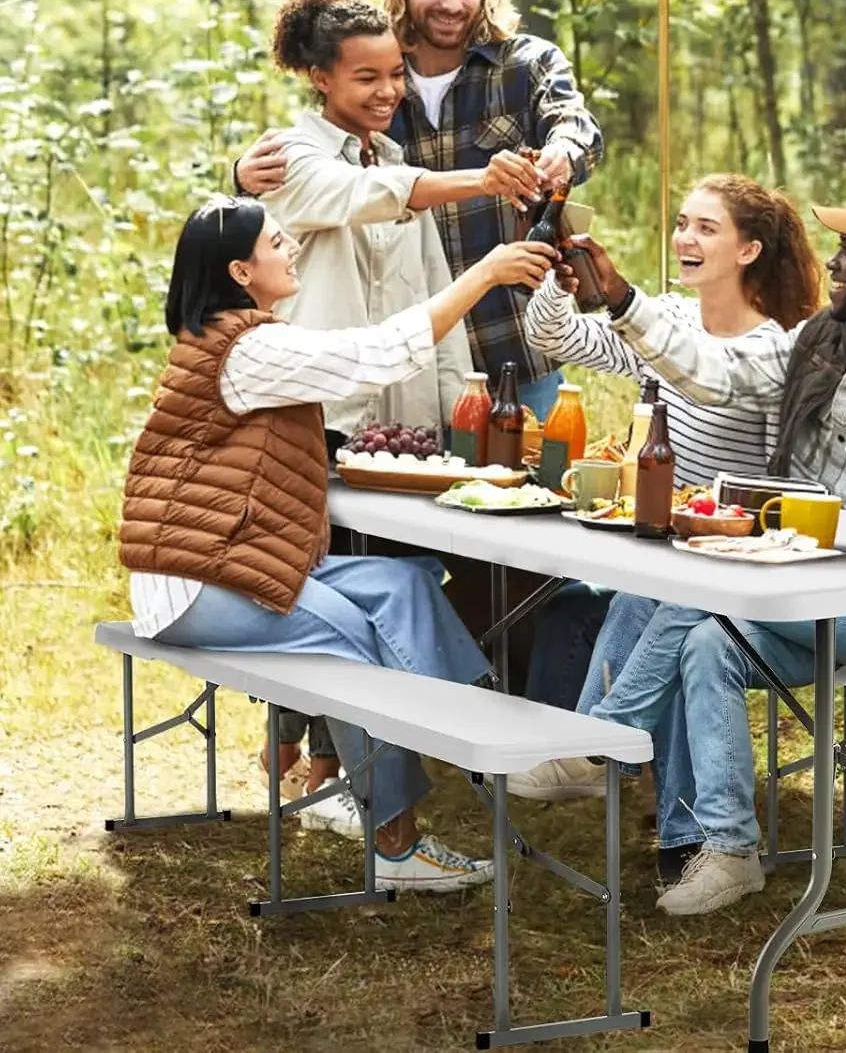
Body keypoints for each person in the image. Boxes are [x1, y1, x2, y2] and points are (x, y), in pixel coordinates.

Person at [512, 189, 846, 915]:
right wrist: (624, 299)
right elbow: (715, 376)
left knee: (696, 594)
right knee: (707, 639)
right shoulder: (823, 338)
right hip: (800, 585)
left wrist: (820, 545)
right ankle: (728, 850)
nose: (833, 259)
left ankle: (605, 740)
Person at [120, 196, 556, 893]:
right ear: (239, 270)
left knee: (402, 583)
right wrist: (484, 275)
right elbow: (375, 356)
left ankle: (472, 734)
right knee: (352, 644)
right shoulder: (250, 347)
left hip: (225, 565)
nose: (291, 245)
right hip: (195, 586)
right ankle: (396, 844)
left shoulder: (236, 338)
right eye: (274, 242)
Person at [252, 0, 524, 821]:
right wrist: (480, 180)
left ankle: (336, 764)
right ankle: (317, 769)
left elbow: (435, 301)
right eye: (366, 78)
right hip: (317, 420)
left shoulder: (393, 163)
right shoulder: (290, 163)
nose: (387, 92)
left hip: (398, 428)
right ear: (321, 80)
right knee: (325, 591)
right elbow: (363, 200)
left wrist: (459, 409)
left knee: (393, 576)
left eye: (394, 76)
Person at [514, 175, 821, 882]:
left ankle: (602, 752)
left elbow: (708, 375)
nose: (685, 238)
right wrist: (564, 277)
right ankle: (660, 814)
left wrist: (625, 301)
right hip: (674, 540)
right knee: (636, 600)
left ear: (749, 249)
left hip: (746, 551)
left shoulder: (774, 347)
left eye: (706, 228)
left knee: (651, 610)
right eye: (682, 223)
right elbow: (553, 335)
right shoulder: (672, 323)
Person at [234, 0, 604, 421]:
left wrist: (563, 152)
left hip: (513, 337)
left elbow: (576, 123)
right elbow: (325, 176)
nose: (452, 4)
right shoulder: (375, 74)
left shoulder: (525, 63)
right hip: (405, 352)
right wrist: (241, 175)